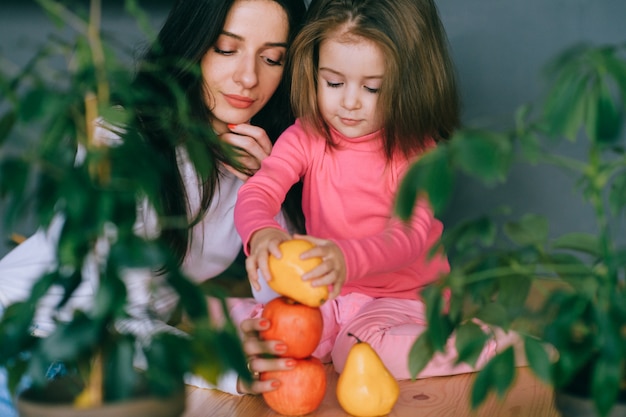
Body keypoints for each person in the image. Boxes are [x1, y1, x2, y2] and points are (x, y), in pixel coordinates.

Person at [0, 0, 308, 409]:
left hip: (115, 361)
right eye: (226, 49)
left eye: (272, 58)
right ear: (191, 44)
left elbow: (293, 299)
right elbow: (113, 315)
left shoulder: (256, 154)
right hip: (32, 342)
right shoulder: (119, 137)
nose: (249, 77)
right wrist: (225, 362)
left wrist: (268, 189)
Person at [235, 0, 519, 379]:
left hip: (403, 297)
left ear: (409, 85)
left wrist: (345, 258)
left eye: (373, 88)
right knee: (277, 336)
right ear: (313, 70)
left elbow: (410, 235)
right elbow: (260, 190)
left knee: (355, 352)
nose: (349, 102)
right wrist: (261, 229)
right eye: (333, 82)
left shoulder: (415, 151)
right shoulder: (306, 135)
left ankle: (494, 345)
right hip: (331, 294)